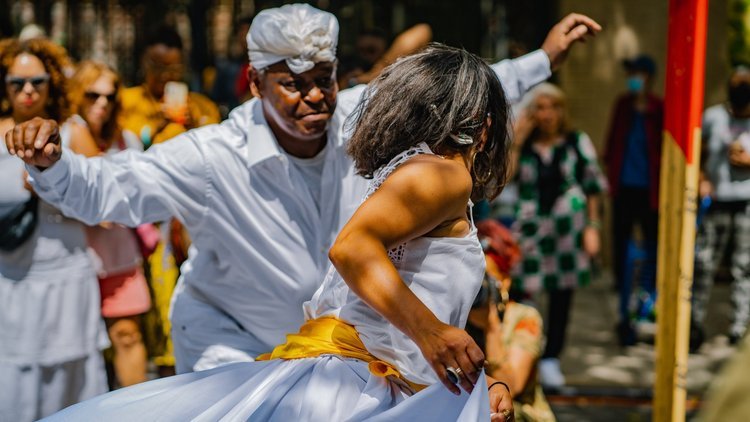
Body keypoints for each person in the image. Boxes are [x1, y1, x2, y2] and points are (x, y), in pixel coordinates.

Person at [6, 4, 601, 375]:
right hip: (228, 343)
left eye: (325, 80)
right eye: (293, 85)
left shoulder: (363, 117)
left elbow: (458, 94)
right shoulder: (211, 155)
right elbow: (111, 189)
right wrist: (55, 164)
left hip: (327, 350)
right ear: (255, 82)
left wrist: (542, 60)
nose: (315, 97)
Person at [48, 42, 515, 422]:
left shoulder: (416, 172)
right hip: (361, 390)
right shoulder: (446, 173)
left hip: (380, 385)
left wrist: (474, 383)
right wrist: (432, 333)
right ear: (486, 124)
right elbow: (352, 250)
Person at [0, 38, 108, 420]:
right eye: (16, 82)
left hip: (67, 276)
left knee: (70, 383)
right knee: (16, 382)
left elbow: (105, 210)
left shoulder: (72, 132)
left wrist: (56, 186)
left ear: (53, 84)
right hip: (11, 281)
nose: (27, 91)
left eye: (37, 82)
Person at [120, 24, 221, 374]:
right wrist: (155, 124)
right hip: (141, 223)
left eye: (173, 69)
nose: (164, 76)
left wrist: (195, 126)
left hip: (190, 224)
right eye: (157, 67)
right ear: (143, 64)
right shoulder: (125, 102)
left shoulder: (201, 106)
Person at [510, 82, 607, 388]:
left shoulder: (576, 141)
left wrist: (593, 227)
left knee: (562, 296)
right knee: (522, 293)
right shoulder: (522, 146)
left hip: (568, 232)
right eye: (540, 107)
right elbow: (503, 177)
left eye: (553, 107)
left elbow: (593, 187)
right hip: (530, 232)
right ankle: (525, 353)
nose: (547, 114)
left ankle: (552, 358)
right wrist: (517, 139)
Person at [66, 60, 152, 387]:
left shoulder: (125, 140)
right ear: (78, 94)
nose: (101, 103)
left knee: (128, 336)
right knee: (81, 349)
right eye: (92, 95)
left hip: (119, 255)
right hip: (75, 257)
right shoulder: (65, 133)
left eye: (109, 96)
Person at [467, 220, 555, 421]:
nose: (477, 287)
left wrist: (491, 327)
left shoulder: (525, 318)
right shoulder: (455, 316)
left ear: (505, 281)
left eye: (486, 278)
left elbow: (511, 386)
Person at [604, 54, 663, 346]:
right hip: (624, 188)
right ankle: (624, 296)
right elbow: (612, 141)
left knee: (652, 246)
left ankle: (649, 297)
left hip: (650, 191)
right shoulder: (623, 105)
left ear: (649, 77)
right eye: (631, 73)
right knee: (622, 242)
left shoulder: (658, 109)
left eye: (638, 73)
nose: (633, 78)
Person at [692, 66, 750, 350]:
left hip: (747, 202)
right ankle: (694, 324)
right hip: (715, 201)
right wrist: (701, 179)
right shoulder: (714, 117)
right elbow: (697, 153)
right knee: (703, 264)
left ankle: (739, 326)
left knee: (744, 266)